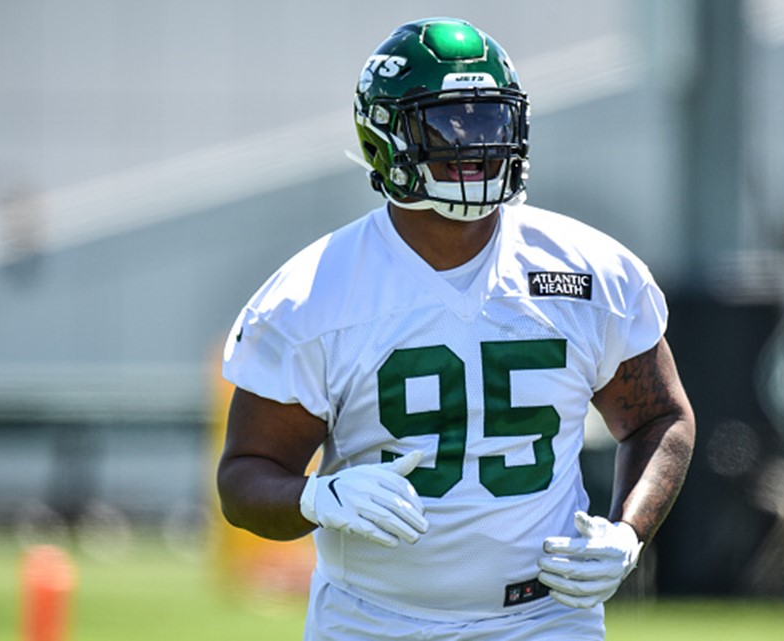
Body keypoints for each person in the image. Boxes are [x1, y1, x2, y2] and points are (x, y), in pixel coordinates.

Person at [216, 17, 695, 640]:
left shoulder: (590, 271)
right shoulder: (313, 294)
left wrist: (627, 533)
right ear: (385, 139)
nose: (476, 144)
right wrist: (315, 498)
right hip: (371, 621)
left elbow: (660, 418)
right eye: (448, 124)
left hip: (545, 618)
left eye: (491, 121)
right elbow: (244, 477)